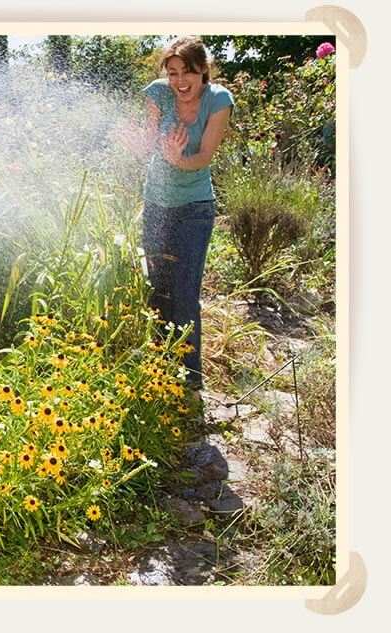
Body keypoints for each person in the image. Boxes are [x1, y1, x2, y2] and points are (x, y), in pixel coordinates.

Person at [139, 36, 234, 390]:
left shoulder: (218, 100)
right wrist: (132, 143)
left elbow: (205, 156)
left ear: (202, 71)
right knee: (158, 289)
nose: (180, 81)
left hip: (195, 208)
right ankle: (161, 370)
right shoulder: (158, 94)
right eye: (173, 72)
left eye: (187, 72)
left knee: (184, 292)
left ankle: (190, 380)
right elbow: (146, 144)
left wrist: (179, 160)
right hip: (156, 204)